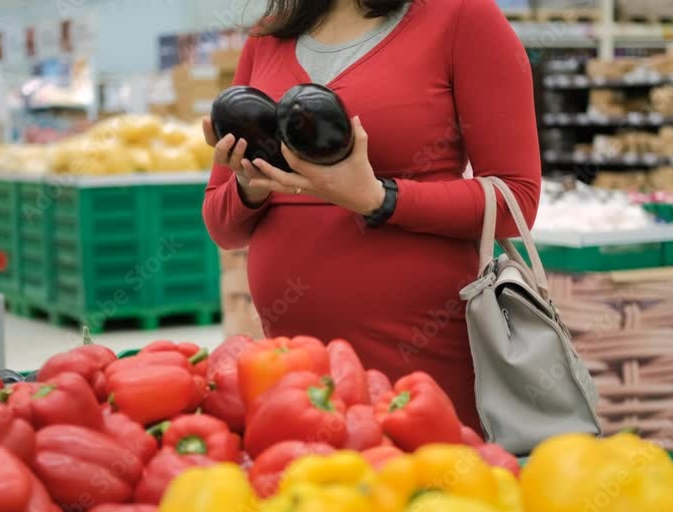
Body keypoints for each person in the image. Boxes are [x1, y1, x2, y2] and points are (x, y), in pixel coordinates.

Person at [201, 0, 540, 432]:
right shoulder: (270, 35)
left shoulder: (462, 17)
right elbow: (221, 225)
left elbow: (517, 200)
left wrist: (380, 198)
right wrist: (250, 186)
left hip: (422, 358)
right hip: (295, 369)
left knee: (425, 489)